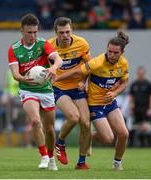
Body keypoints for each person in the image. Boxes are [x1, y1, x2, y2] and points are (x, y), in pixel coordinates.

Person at [54, 31, 130, 170]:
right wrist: (58, 77)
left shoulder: (124, 64)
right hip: (95, 105)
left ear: (122, 52)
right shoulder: (97, 62)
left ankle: (117, 163)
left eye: (116, 53)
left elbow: (124, 83)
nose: (112, 55)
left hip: (110, 103)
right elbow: (79, 71)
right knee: (108, 139)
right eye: (109, 51)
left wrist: (115, 93)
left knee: (124, 134)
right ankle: (87, 137)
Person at [8, 13, 63, 170]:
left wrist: (53, 67)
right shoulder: (14, 49)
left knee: (50, 130)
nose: (33, 35)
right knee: (35, 121)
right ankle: (44, 156)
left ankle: (51, 157)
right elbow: (15, 73)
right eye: (29, 32)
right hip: (27, 89)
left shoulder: (43, 43)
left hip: (45, 90)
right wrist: (22, 79)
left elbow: (58, 59)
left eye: (35, 32)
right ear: (22, 31)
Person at [48, 17, 91, 169]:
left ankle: (81, 163)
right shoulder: (49, 46)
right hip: (59, 87)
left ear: (71, 30)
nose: (65, 35)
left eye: (68, 32)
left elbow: (88, 65)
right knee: (74, 117)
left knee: (86, 123)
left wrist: (83, 81)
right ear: (56, 33)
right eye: (61, 33)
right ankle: (60, 142)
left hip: (77, 87)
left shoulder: (82, 43)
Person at [129, 66, 151, 147]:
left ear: (144, 73)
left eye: (142, 73)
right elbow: (131, 97)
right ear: (137, 73)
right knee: (138, 126)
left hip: (145, 108)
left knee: (146, 126)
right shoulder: (134, 84)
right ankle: (140, 144)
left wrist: (150, 108)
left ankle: (148, 144)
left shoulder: (148, 84)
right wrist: (131, 108)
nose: (140, 74)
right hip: (137, 108)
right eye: (139, 73)